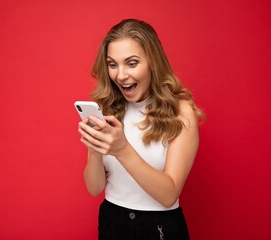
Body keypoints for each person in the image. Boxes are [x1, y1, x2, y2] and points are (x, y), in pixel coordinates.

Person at [77, 19, 205, 240]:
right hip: (112, 221)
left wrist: (122, 149)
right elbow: (94, 188)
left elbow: (169, 194)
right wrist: (95, 149)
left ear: (153, 62)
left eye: (132, 63)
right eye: (113, 64)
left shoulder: (180, 112)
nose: (120, 75)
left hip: (159, 228)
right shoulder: (109, 109)